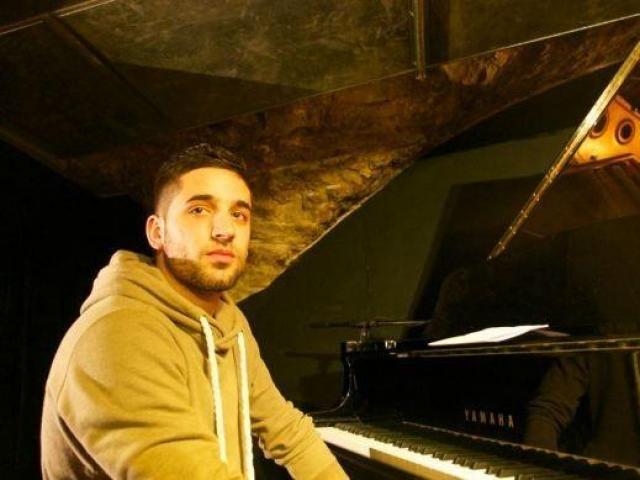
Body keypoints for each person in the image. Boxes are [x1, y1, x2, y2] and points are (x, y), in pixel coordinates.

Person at [40, 144, 348, 480]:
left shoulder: (228, 322)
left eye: (239, 214)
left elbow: (287, 431)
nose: (224, 230)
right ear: (157, 232)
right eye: (199, 210)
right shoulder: (115, 336)